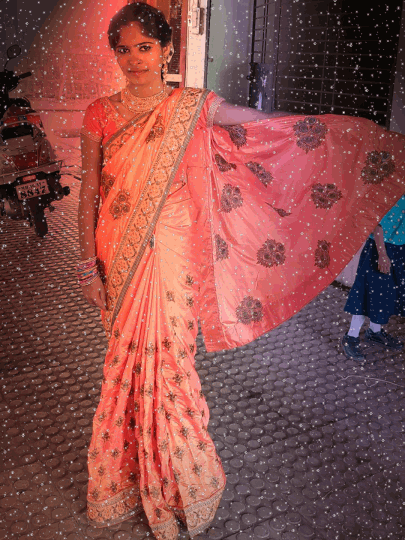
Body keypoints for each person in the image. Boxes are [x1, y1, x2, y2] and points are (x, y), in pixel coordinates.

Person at [77, 3, 405, 539]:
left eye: (145, 47)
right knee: (125, 364)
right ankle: (125, 478)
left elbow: (256, 123)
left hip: (175, 255)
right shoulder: (99, 113)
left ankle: (182, 484)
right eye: (124, 50)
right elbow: (89, 191)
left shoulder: (191, 106)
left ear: (166, 51)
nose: (134, 59)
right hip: (120, 252)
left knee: (171, 368)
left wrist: (321, 132)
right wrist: (87, 268)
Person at [341, 195, 405, 361]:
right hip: (378, 248)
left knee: (385, 294)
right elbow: (375, 223)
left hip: (398, 248)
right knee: (367, 293)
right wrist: (382, 254)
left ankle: (375, 332)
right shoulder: (390, 188)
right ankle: (351, 337)